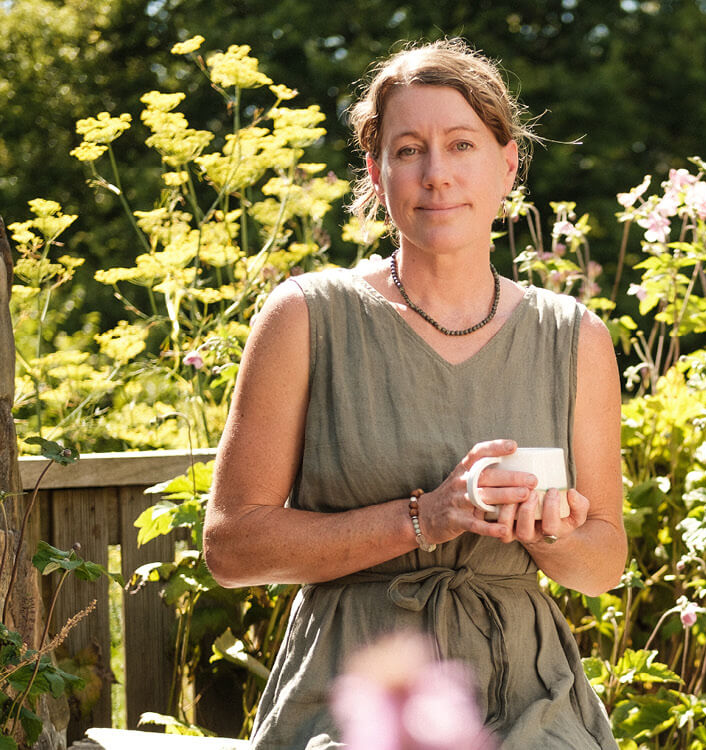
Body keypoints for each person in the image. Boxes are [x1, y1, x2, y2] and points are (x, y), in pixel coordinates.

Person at [202, 37, 626, 750]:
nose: (436, 175)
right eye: (408, 150)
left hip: (527, 698)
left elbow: (604, 561)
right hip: (354, 695)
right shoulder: (307, 316)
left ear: (508, 164)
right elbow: (231, 547)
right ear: (376, 171)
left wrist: (551, 535)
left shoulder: (575, 337)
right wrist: (425, 516)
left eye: (462, 145)